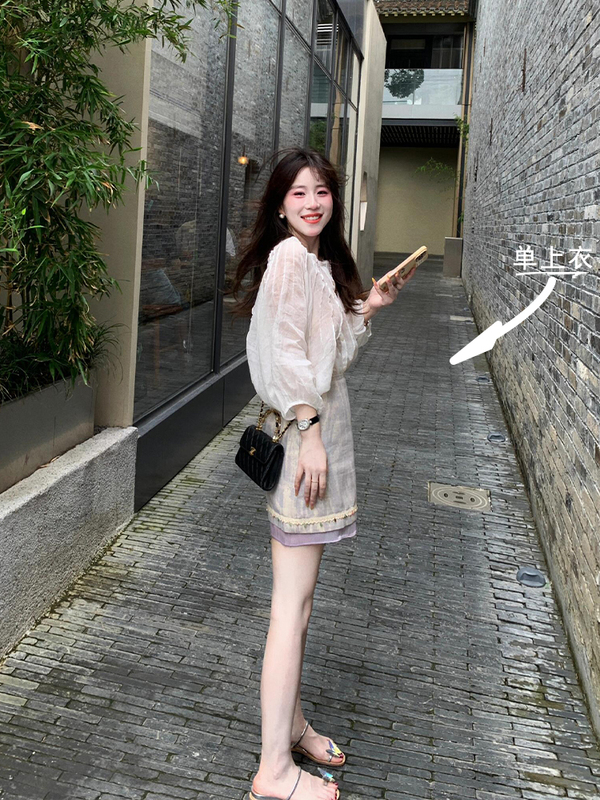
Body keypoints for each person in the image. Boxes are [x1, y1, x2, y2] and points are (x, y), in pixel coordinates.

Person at [226, 147, 417, 800]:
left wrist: (369, 307)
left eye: (322, 191)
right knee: (290, 608)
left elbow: (326, 360)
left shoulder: (315, 264)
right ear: (280, 205)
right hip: (307, 452)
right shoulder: (288, 259)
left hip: (319, 446)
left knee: (300, 606)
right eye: (298, 192)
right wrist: (308, 433)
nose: (312, 202)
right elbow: (281, 357)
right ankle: (273, 771)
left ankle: (293, 725)